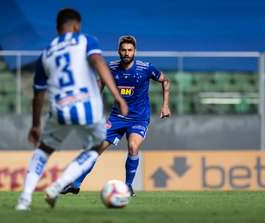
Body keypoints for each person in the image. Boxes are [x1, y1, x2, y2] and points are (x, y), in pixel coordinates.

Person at [15, 8, 128, 210]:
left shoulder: (46, 53)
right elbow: (98, 62)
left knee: (43, 150)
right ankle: (57, 186)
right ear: (76, 25)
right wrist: (117, 95)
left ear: (58, 29)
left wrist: (35, 125)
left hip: (60, 109)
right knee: (94, 148)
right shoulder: (86, 40)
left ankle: (24, 199)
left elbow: (38, 93)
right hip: (88, 109)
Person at [61, 35, 171, 197]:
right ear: (118, 51)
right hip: (117, 118)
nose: (127, 53)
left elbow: (165, 81)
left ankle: (128, 186)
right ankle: (76, 185)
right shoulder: (110, 68)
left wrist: (165, 105)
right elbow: (100, 84)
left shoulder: (145, 68)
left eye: (130, 50)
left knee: (133, 146)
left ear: (135, 51)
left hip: (138, 118)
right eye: (124, 50)